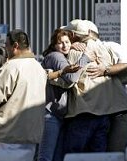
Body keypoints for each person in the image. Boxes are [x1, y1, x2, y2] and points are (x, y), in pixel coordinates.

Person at [61, 19, 127, 156]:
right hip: (109, 111)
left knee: (75, 155)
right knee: (107, 155)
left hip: (89, 112)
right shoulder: (106, 49)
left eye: (67, 34)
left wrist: (105, 70)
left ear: (74, 35)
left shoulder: (75, 52)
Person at [0, 29, 47, 158]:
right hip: (31, 134)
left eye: (7, 45)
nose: (5, 48)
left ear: (15, 46)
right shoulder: (39, 68)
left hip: (8, 134)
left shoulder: (10, 68)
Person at [38, 29, 95, 161]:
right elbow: (71, 78)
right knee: (45, 156)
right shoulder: (56, 56)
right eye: (60, 43)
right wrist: (84, 59)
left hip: (57, 114)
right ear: (54, 45)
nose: (64, 46)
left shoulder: (63, 55)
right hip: (50, 114)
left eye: (67, 42)